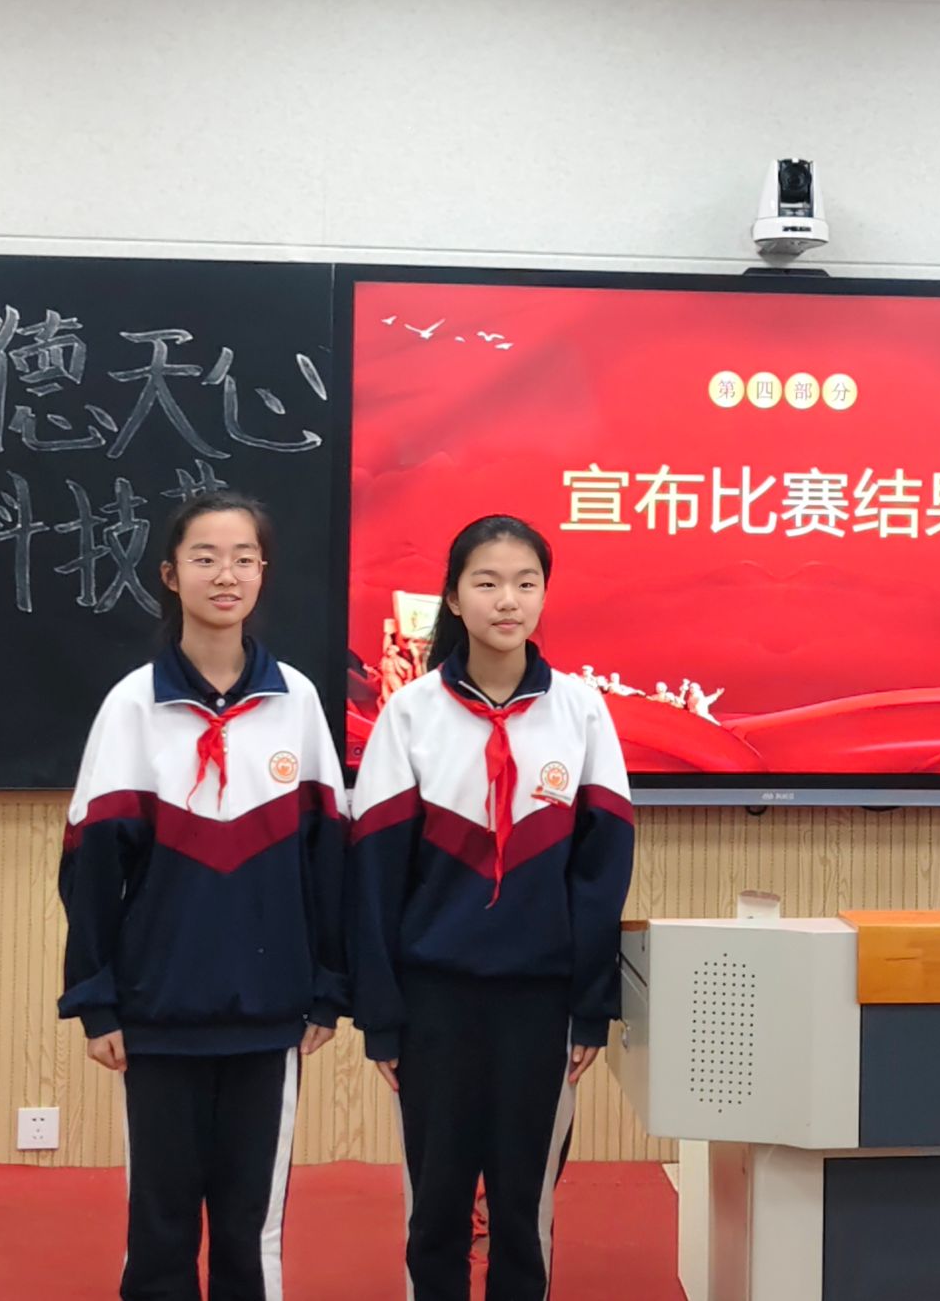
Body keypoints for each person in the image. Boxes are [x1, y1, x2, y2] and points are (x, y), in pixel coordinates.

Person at [58, 490, 345, 1301]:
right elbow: (88, 865)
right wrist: (96, 998)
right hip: (158, 1014)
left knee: (252, 1232)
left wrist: (329, 987)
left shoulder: (297, 703)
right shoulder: (131, 707)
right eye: (206, 558)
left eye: (244, 559)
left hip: (270, 1013)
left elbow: (329, 859)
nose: (226, 575)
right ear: (169, 574)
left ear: (263, 573)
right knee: (160, 1227)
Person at [349, 514, 635, 1301]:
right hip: (433, 1003)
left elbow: (602, 873)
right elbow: (374, 876)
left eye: (525, 583)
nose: (507, 600)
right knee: (436, 1207)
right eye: (487, 582)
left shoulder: (582, 712)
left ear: (544, 595)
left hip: (542, 1005)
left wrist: (590, 1009)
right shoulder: (410, 715)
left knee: (523, 1210)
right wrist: (381, 1015)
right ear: (453, 596)